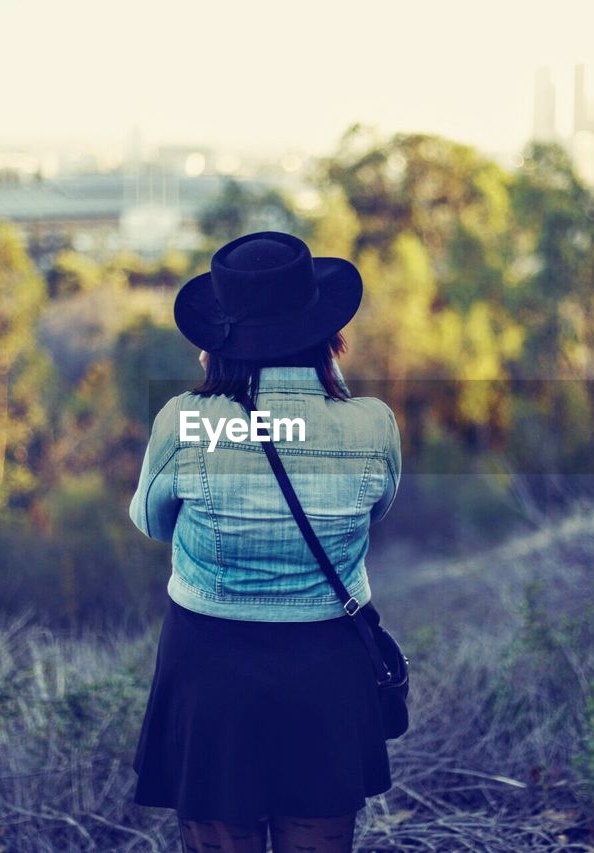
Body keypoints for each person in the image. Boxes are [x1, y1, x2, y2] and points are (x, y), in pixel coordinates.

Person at [128, 231, 403, 852]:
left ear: (219, 344)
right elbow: (378, 510)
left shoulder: (185, 421)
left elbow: (152, 521)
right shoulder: (373, 423)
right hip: (328, 662)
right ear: (331, 338)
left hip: (211, 665)